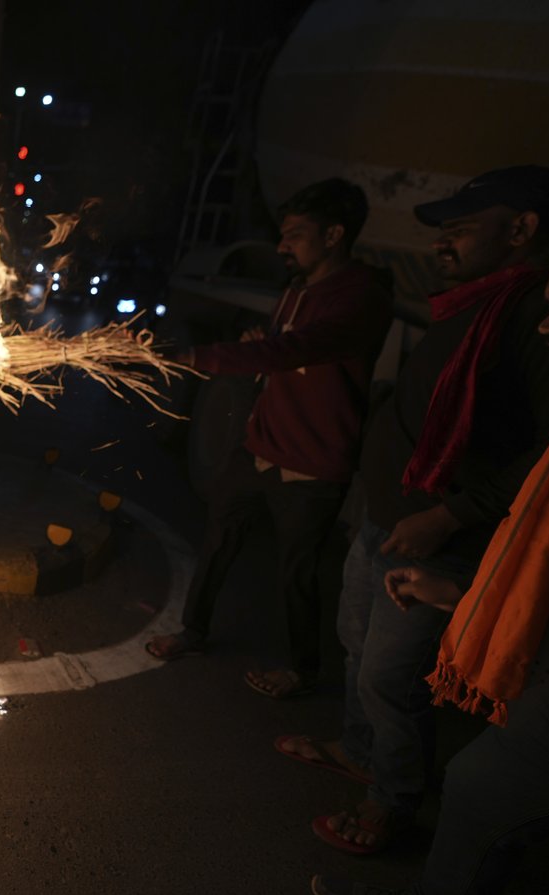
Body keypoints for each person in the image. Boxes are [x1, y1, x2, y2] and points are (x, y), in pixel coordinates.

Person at [311, 202, 549, 895]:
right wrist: (474, 595)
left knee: (407, 695)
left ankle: (400, 828)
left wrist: (453, 526)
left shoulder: (529, 343)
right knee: (478, 783)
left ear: (519, 226)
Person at [278, 166, 549, 856]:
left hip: (437, 534)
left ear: (522, 229)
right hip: (389, 515)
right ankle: (359, 751)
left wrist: (448, 518)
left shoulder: (537, 316)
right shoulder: (477, 300)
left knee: (389, 674)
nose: (443, 242)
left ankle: (392, 800)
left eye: (461, 228)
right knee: (356, 641)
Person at [145, 178, 394, 699]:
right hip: (259, 447)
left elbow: (299, 350)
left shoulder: (361, 297)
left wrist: (198, 356)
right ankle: (194, 631)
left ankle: (302, 667)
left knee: (298, 574)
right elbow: (281, 350)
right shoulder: (296, 290)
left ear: (334, 235)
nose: (283, 246)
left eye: (297, 235)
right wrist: (263, 346)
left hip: (312, 462)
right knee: (217, 542)